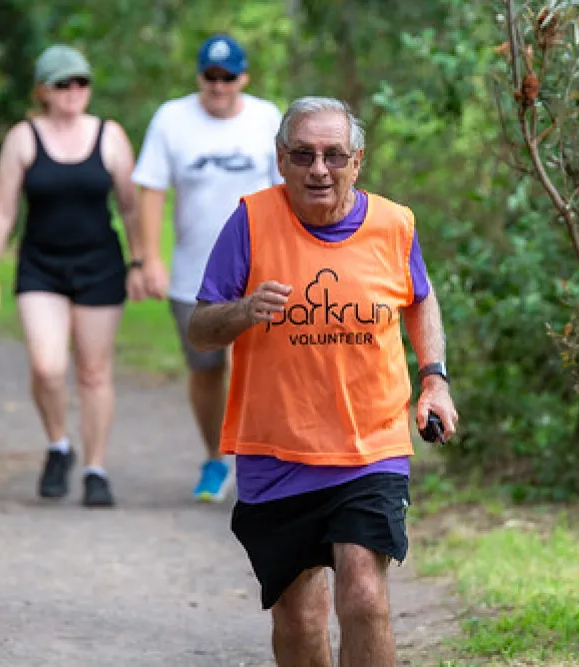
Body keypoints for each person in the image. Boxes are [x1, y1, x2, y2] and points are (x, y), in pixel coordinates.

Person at [187, 96, 459, 667]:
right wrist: (242, 311)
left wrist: (434, 377)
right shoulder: (251, 221)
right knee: (299, 615)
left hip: (370, 446)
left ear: (356, 161)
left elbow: (420, 297)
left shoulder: (393, 224)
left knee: (364, 594)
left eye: (334, 155)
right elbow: (201, 330)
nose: (319, 168)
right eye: (304, 154)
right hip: (276, 451)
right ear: (281, 160)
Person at [0, 44, 144, 508]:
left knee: (93, 371)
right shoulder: (23, 137)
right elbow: (2, 209)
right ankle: (58, 445)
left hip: (99, 265)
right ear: (43, 90)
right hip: (41, 266)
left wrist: (139, 261)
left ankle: (95, 468)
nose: (74, 92)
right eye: (62, 84)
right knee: (47, 366)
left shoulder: (110, 136)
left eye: (81, 83)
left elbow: (131, 208)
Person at [132, 33, 283, 502]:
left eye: (228, 77)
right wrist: (148, 259)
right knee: (205, 369)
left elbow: (287, 191)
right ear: (199, 76)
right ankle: (215, 460)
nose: (218, 86)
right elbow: (151, 190)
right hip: (193, 276)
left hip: (259, 270)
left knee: (257, 368)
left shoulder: (266, 118)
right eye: (210, 77)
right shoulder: (172, 119)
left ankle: (259, 465)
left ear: (244, 78)